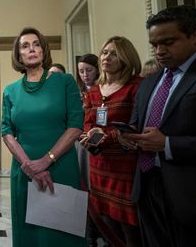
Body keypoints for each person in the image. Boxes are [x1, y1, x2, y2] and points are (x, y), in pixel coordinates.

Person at [121, 5, 196, 247]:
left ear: (195, 35)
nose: (159, 51)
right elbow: (136, 126)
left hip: (195, 196)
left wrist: (168, 144)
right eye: (154, 45)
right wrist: (128, 138)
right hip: (147, 187)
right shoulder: (148, 84)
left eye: (168, 42)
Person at [1, 27, 84, 246]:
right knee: (31, 236)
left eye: (36, 44)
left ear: (44, 50)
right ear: (18, 54)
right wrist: (29, 165)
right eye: (25, 46)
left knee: (62, 236)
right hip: (25, 171)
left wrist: (46, 161)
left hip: (61, 167)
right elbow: (6, 131)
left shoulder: (64, 81)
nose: (32, 49)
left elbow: (76, 126)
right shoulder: (10, 90)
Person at [80, 36, 142, 247]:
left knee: (129, 230)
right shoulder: (95, 90)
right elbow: (87, 122)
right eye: (105, 52)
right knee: (106, 226)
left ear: (126, 58)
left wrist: (107, 136)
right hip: (98, 165)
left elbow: (135, 126)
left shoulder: (136, 86)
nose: (107, 57)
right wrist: (90, 134)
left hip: (124, 168)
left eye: (114, 53)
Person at [74, 53, 105, 247]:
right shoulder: (77, 92)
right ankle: (86, 234)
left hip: (96, 146)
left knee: (95, 189)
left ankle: (99, 233)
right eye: (81, 71)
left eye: (89, 70)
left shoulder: (101, 91)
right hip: (78, 145)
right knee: (81, 189)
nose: (85, 75)